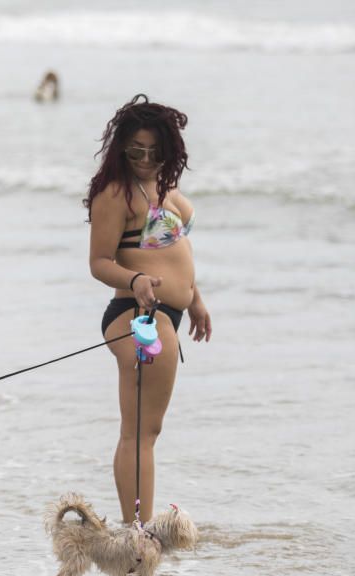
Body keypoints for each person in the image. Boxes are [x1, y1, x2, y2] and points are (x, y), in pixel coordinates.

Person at [85, 94, 211, 524]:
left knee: (149, 432)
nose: (143, 158)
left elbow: (177, 248)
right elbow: (100, 262)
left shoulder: (164, 187)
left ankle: (135, 534)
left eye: (153, 151)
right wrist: (135, 280)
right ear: (121, 146)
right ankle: (137, 534)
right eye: (135, 150)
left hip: (171, 314)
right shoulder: (114, 194)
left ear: (168, 150)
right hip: (137, 315)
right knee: (139, 433)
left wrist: (195, 299)